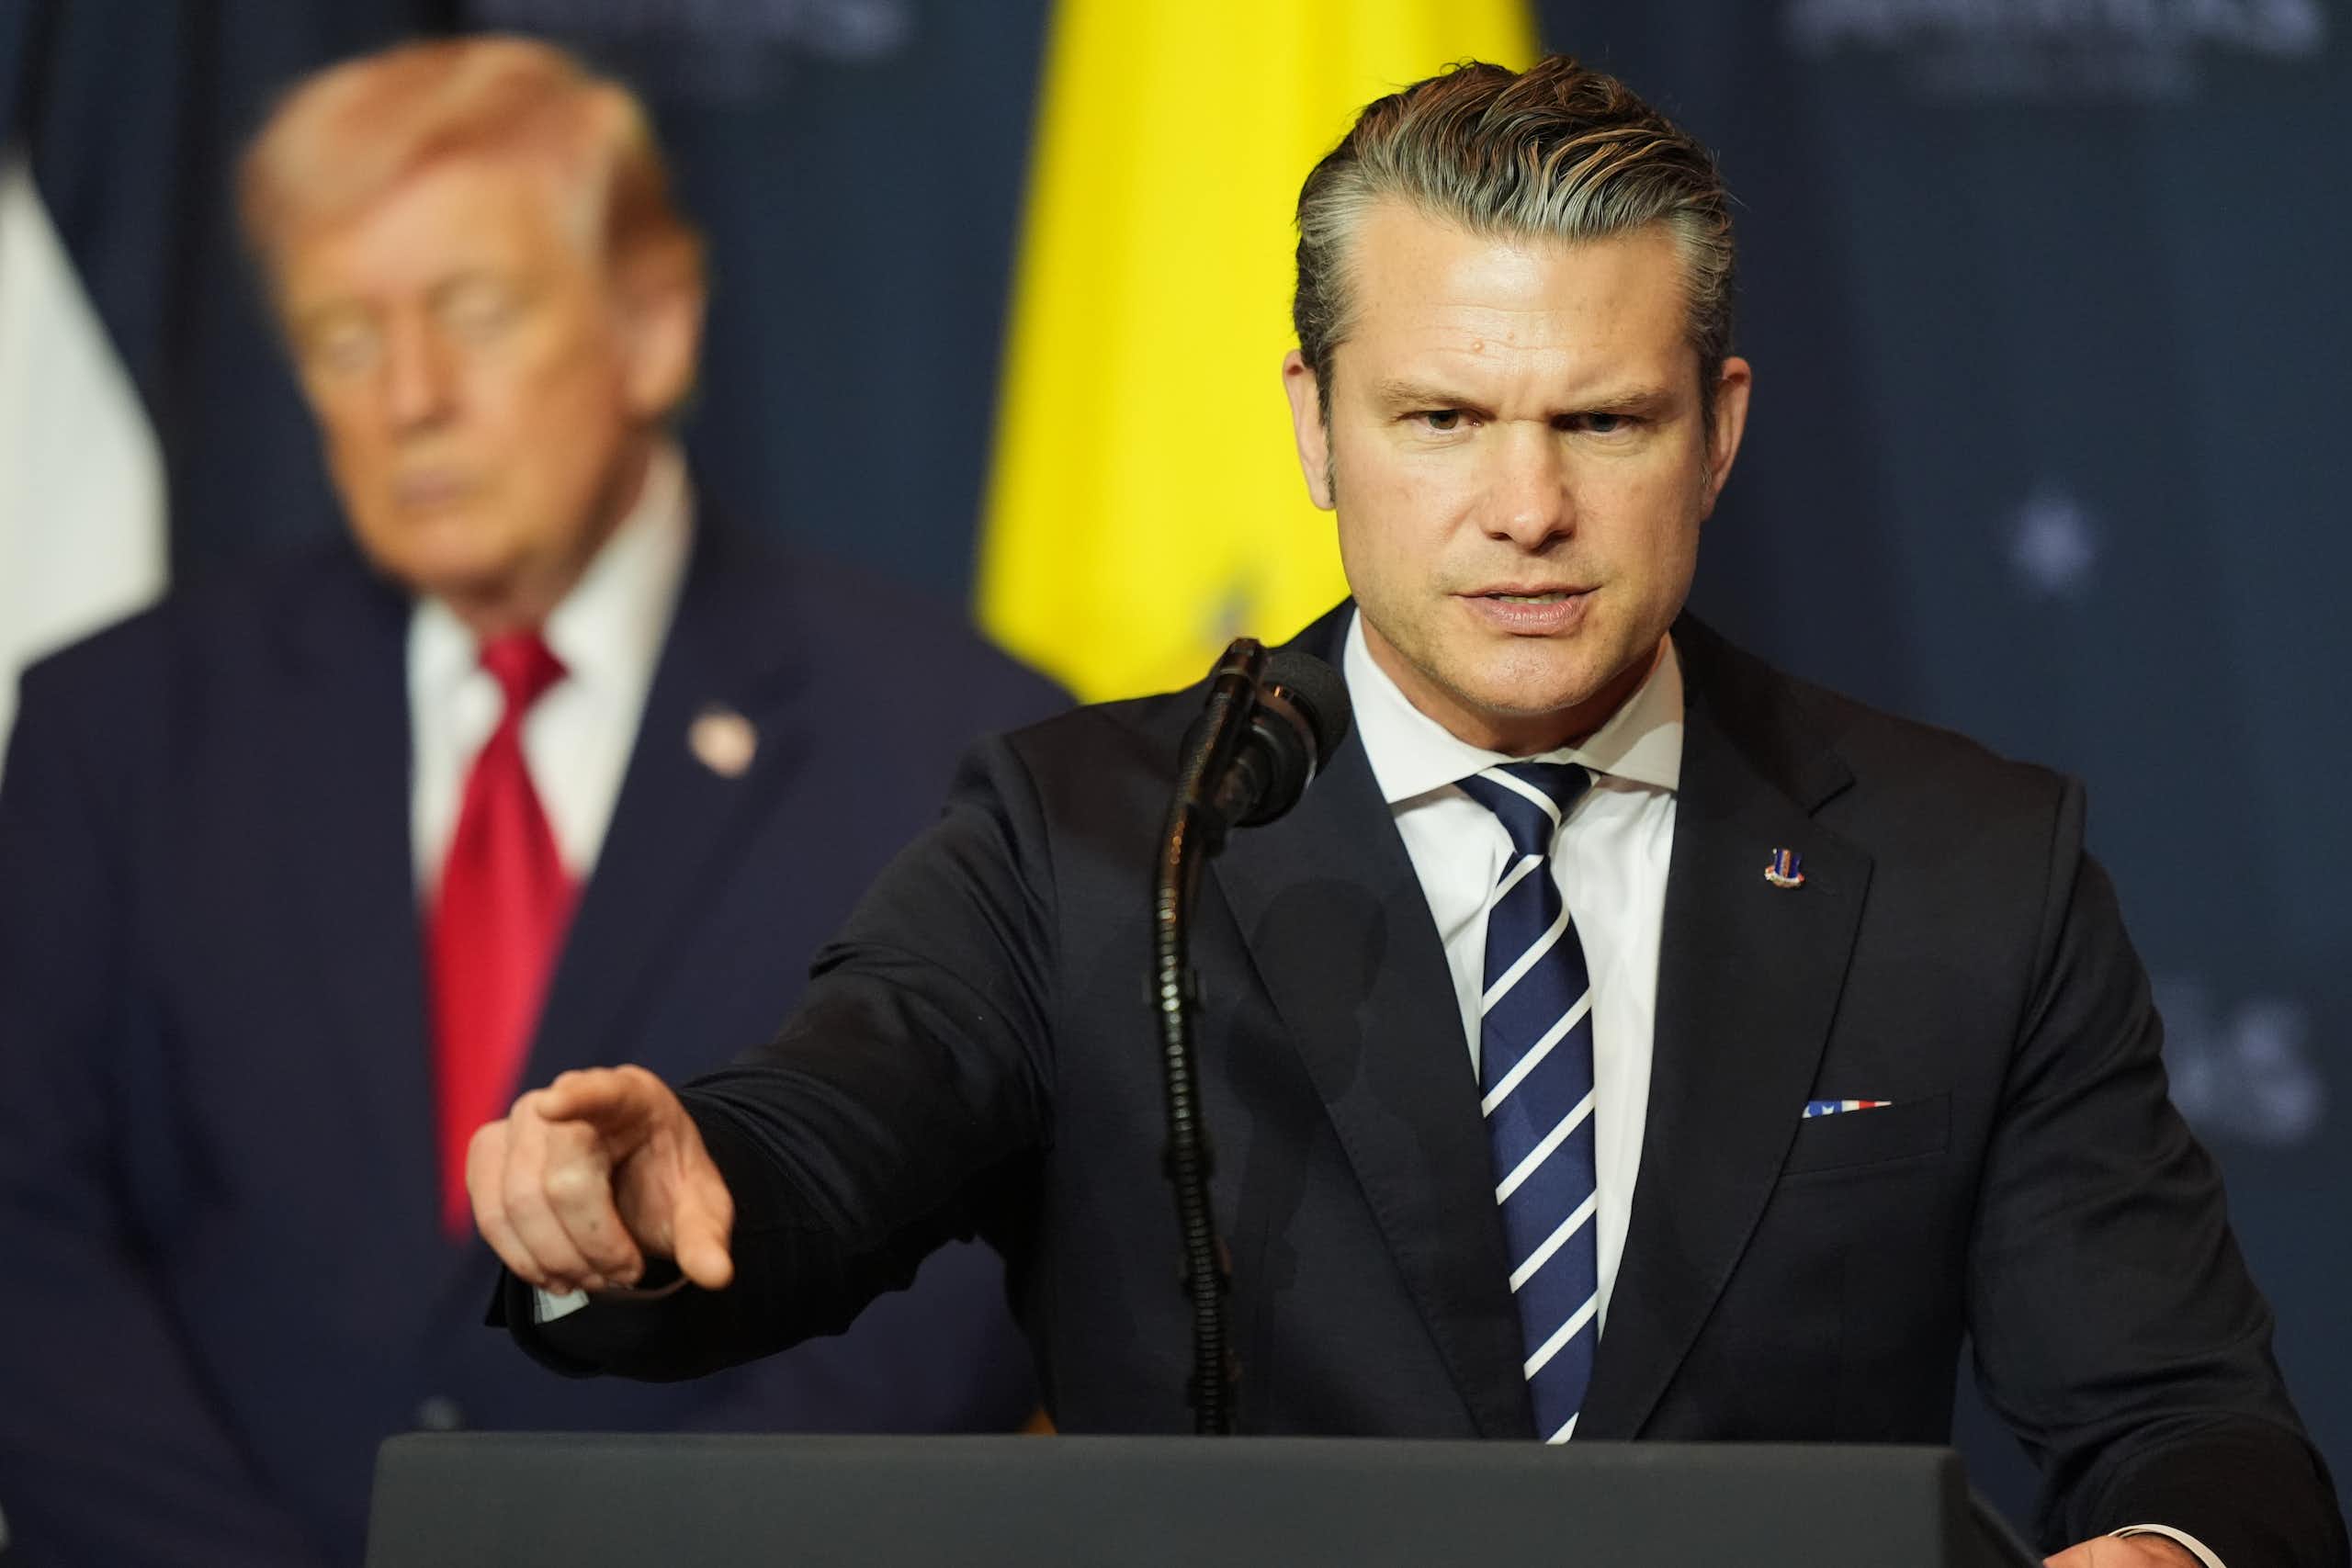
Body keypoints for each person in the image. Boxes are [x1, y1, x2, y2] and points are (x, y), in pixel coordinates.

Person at [467, 55, 2346, 1568]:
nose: (1521, 508)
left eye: (1598, 422)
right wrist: (664, 1188)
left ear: (1719, 427)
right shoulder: (1095, 827)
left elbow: (2190, 1423)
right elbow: (830, 1126)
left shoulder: (1961, 865)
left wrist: (2161, 1550)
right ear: (1313, 427)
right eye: (1441, 419)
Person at [0, 36, 1064, 1568]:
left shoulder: (955, 736)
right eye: (343, 337)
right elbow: (28, 1245)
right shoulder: (117, 727)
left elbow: (965, 1280)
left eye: (472, 314)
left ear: (652, 328)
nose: (409, 397)